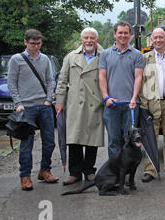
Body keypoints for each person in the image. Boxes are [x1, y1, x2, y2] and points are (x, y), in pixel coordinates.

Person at [7, 29, 58, 190]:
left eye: (38, 43)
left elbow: (50, 81)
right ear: (25, 42)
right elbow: (11, 83)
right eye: (32, 43)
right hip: (26, 108)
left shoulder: (45, 60)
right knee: (26, 144)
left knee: (49, 141)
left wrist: (49, 100)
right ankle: (25, 176)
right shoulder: (16, 60)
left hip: (44, 106)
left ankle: (45, 170)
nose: (36, 46)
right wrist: (18, 104)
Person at [55, 27, 105, 185]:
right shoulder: (71, 57)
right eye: (86, 38)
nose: (89, 41)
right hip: (75, 102)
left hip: (95, 102)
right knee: (74, 138)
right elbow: (62, 79)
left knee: (92, 138)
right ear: (81, 40)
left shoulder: (104, 56)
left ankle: (89, 170)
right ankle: (74, 173)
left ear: (97, 40)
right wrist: (59, 101)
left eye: (92, 38)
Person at [139, 27, 165, 182]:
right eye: (154, 38)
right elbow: (141, 82)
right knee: (151, 138)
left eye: (160, 37)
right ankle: (149, 170)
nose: (157, 40)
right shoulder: (144, 58)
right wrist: (144, 105)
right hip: (151, 103)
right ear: (151, 41)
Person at [98, 21, 144, 158]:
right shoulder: (105, 54)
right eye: (120, 33)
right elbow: (102, 77)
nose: (123, 36)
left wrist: (134, 98)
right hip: (112, 105)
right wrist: (106, 97)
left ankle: (128, 173)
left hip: (131, 105)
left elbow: (138, 77)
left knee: (130, 141)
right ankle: (114, 172)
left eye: (126, 33)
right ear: (115, 34)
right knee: (113, 141)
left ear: (130, 35)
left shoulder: (136, 55)